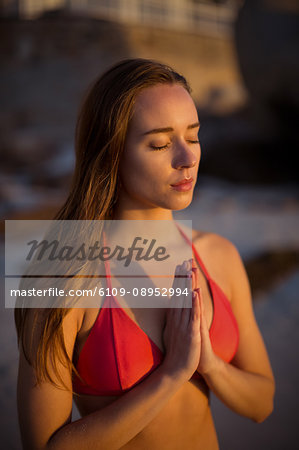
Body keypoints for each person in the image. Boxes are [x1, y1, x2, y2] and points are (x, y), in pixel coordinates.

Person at [15, 58, 275, 450]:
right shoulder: (58, 273)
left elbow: (262, 403)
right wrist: (171, 374)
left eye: (194, 136)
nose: (187, 159)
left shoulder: (219, 255)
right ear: (110, 153)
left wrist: (211, 366)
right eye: (160, 143)